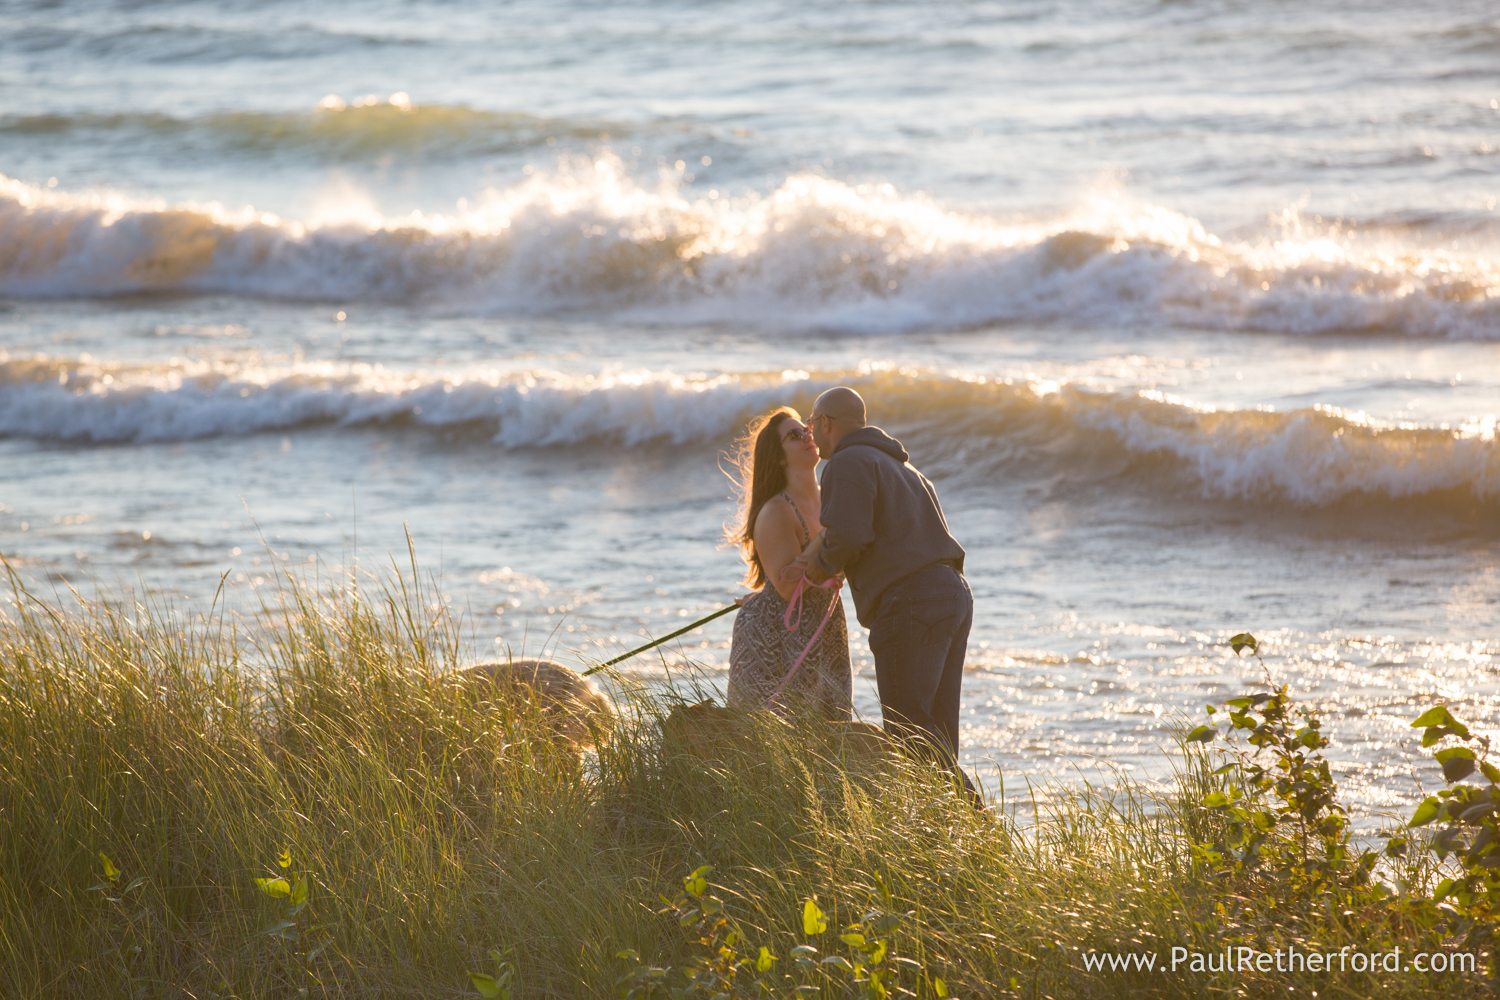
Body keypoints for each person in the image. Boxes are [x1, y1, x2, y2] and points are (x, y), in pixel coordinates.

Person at [794, 386, 980, 801]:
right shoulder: (905, 469)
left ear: (826, 423)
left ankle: (980, 820)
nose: (811, 434)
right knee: (937, 731)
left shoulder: (846, 462)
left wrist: (817, 567)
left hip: (910, 602)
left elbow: (848, 536)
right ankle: (948, 826)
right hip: (952, 594)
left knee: (908, 729)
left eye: (811, 424)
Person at [724, 406, 853, 720]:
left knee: (832, 728)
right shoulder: (776, 511)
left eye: (806, 430)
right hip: (773, 635)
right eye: (795, 436)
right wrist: (834, 535)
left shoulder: (831, 496)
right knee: (768, 733)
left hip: (825, 624)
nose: (807, 436)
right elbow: (786, 587)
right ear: (779, 457)